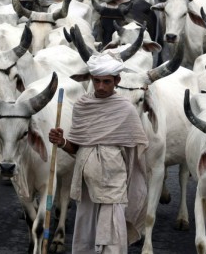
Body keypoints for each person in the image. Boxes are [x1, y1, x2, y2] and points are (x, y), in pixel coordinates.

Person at [49, 52, 149, 254]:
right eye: (97, 81)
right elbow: (76, 148)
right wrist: (62, 142)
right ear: (92, 80)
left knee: (111, 236)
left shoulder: (126, 109)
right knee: (86, 236)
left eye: (107, 82)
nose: (101, 86)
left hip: (113, 183)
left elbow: (135, 154)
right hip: (86, 184)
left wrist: (131, 185)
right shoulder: (82, 106)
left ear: (117, 81)